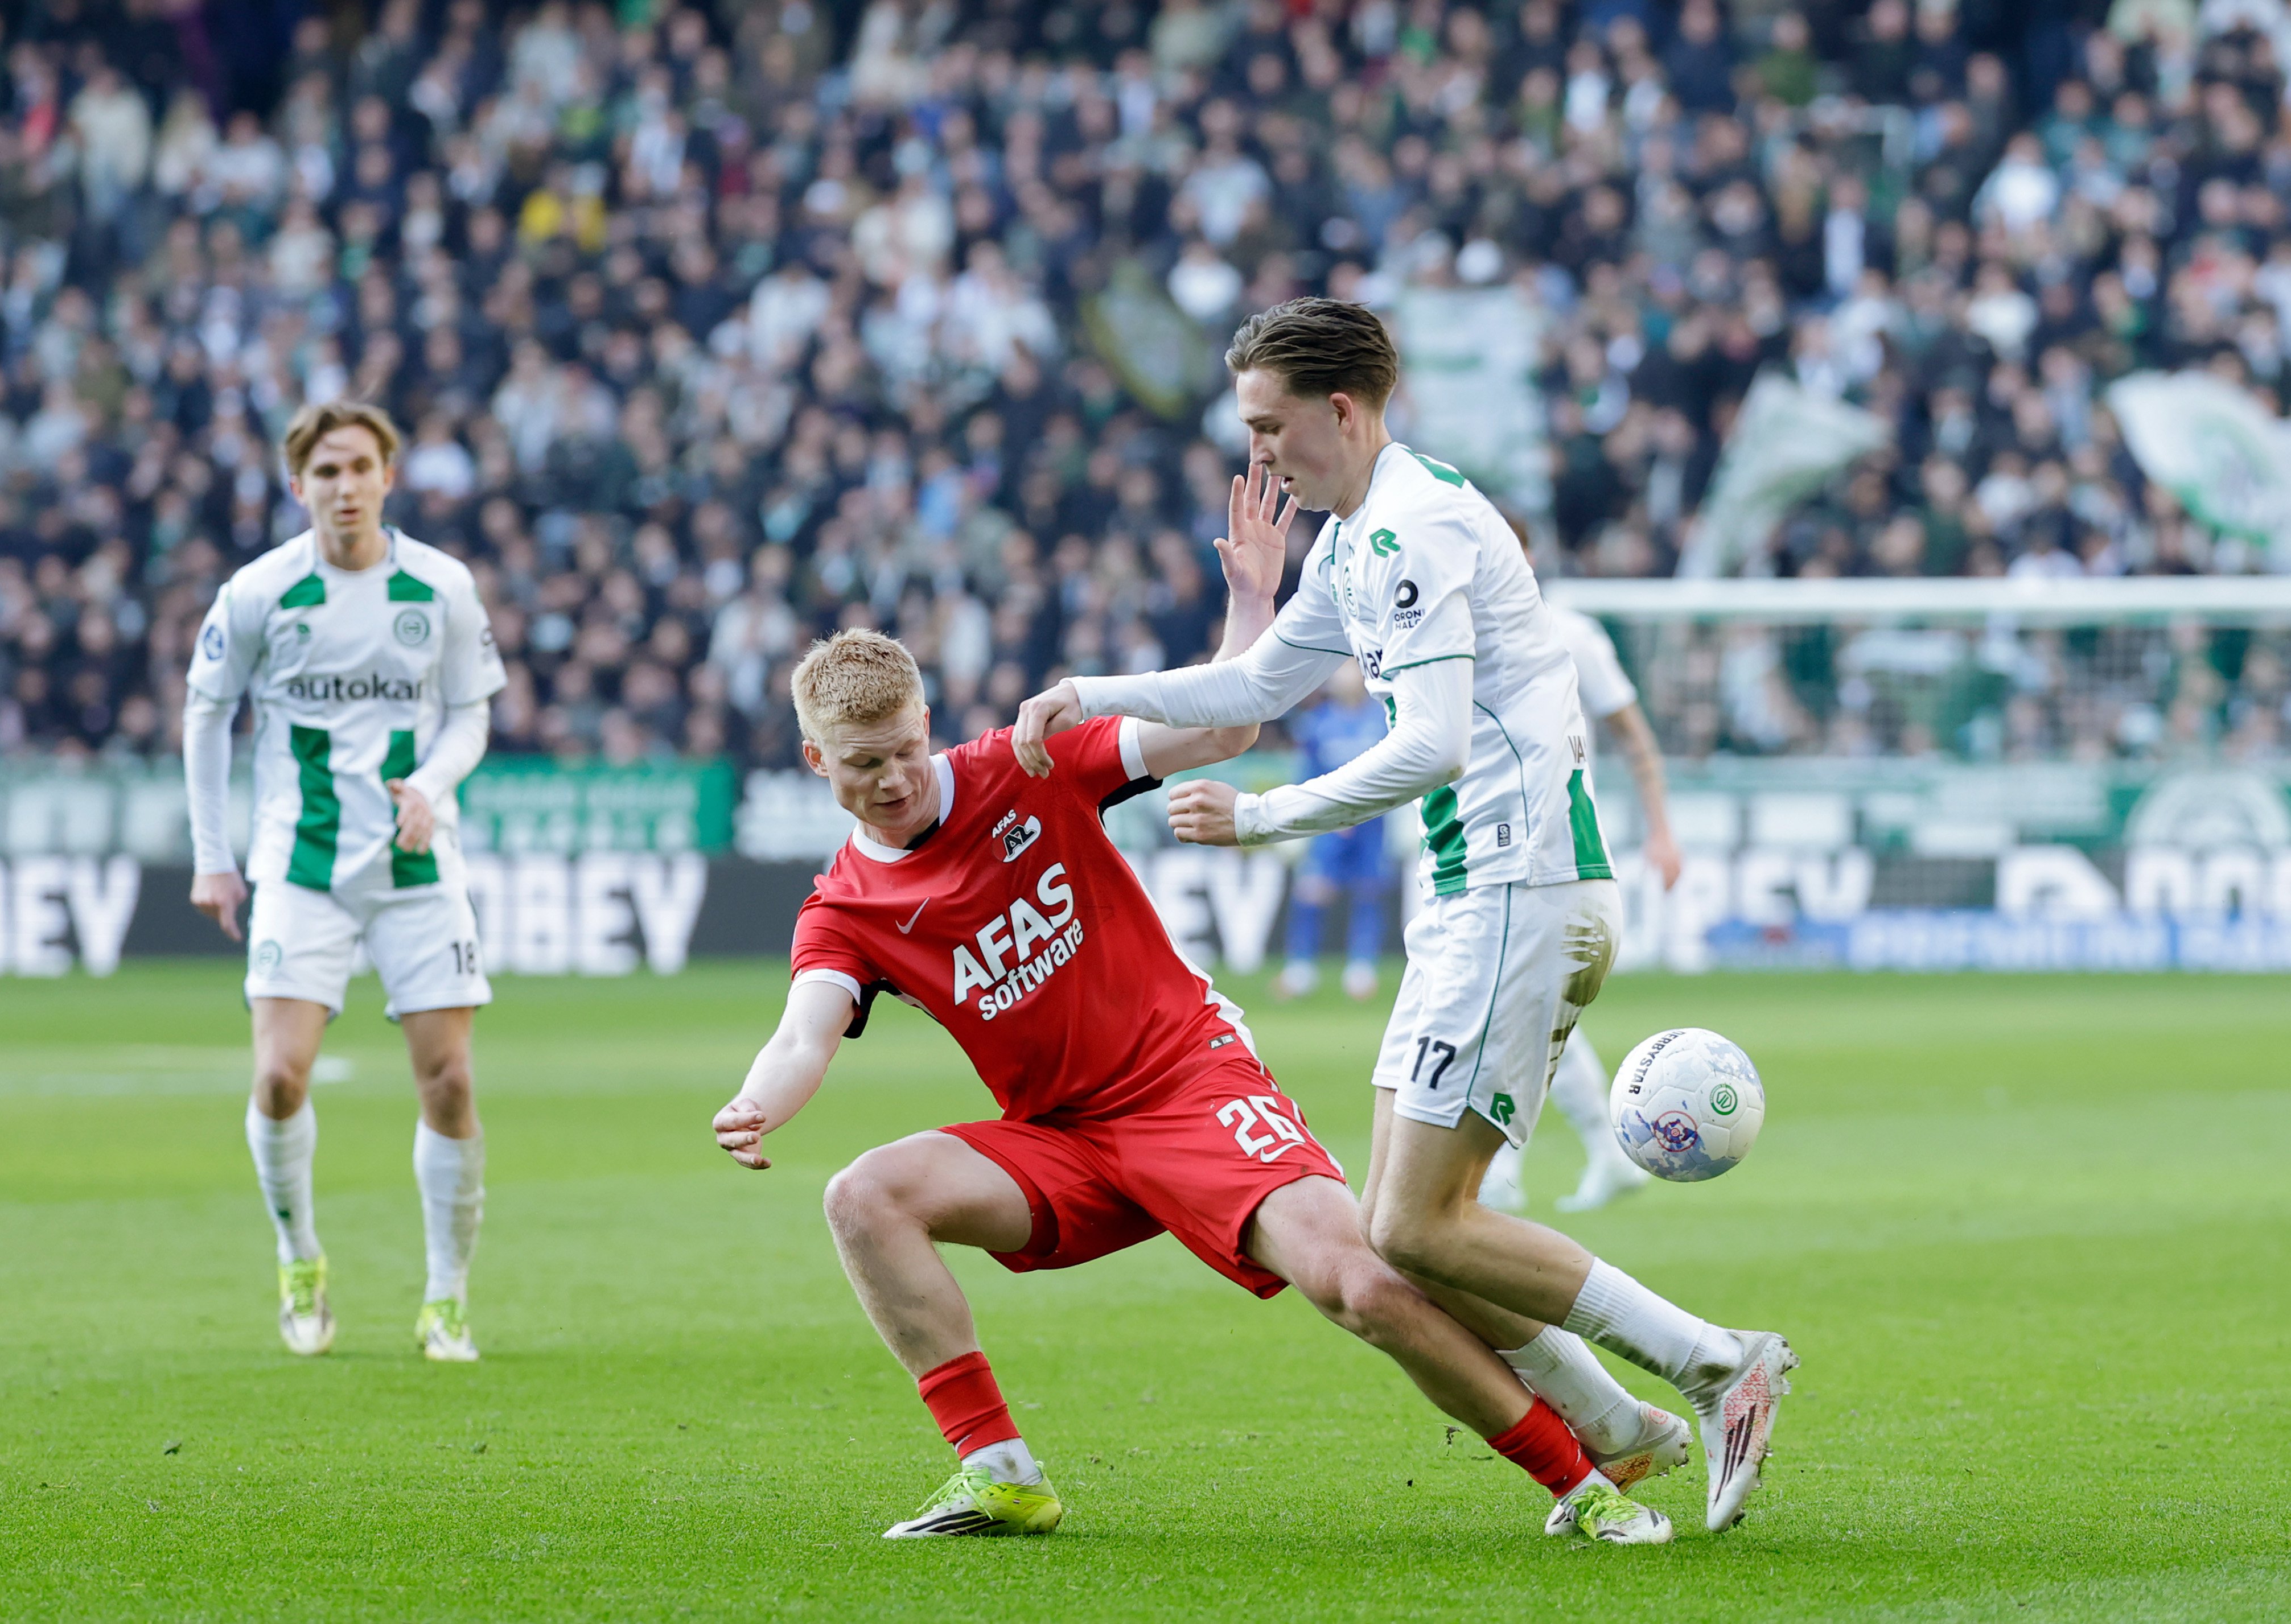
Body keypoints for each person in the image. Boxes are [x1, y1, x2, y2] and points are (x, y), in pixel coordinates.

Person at [713, 481, 1679, 1546]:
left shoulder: (1021, 764)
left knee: (1359, 1278)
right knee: (864, 1196)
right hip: (1061, 1140)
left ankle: (1580, 1480)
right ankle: (998, 1472)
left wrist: (1253, 601)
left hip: (1186, 1083)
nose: (894, 776)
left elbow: (1224, 731)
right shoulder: (844, 906)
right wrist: (758, 1102)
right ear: (817, 762)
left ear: (925, 720)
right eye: (862, 763)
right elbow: (806, 1026)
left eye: (904, 746)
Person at [1014, 298, 1793, 1533]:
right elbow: (1258, 682)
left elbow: (1429, 744)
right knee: (1405, 1235)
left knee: (1415, 1223)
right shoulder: (1355, 535)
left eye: (1271, 428)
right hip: (1480, 901)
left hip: (1513, 886)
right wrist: (1084, 693)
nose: (1257, 455)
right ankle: (1620, 1423)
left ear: (1342, 408)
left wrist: (1266, 818)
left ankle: (1714, 1363)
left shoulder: (1413, 529)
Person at [183, 401, 508, 1363]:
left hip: (416, 861)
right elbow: (205, 715)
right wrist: (214, 852)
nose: (345, 485)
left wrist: (435, 784)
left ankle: (446, 1296)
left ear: (388, 476)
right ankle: (299, 1259)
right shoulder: (259, 591)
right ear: (299, 486)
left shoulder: (440, 586)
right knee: (279, 1075)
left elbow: (471, 716)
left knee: (448, 1080)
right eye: (325, 471)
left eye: (361, 466)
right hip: (303, 861)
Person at [1476, 521, 1681, 1215]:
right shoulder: (1447, 636)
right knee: (1523, 1007)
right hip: (1476, 851)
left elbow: (1632, 736)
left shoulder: (1573, 634)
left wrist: (1661, 830)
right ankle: (1603, 1152)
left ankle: (1504, 1167)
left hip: (1556, 851)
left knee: (1516, 1006)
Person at [1273, 665, 1394, 1002]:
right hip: (1328, 825)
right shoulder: (1316, 723)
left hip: (1372, 823)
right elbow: (1306, 776)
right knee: (1313, 892)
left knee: (1369, 891)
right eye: (1339, 671)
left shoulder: (1382, 721)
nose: (1345, 677)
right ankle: (1301, 968)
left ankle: (1361, 967)